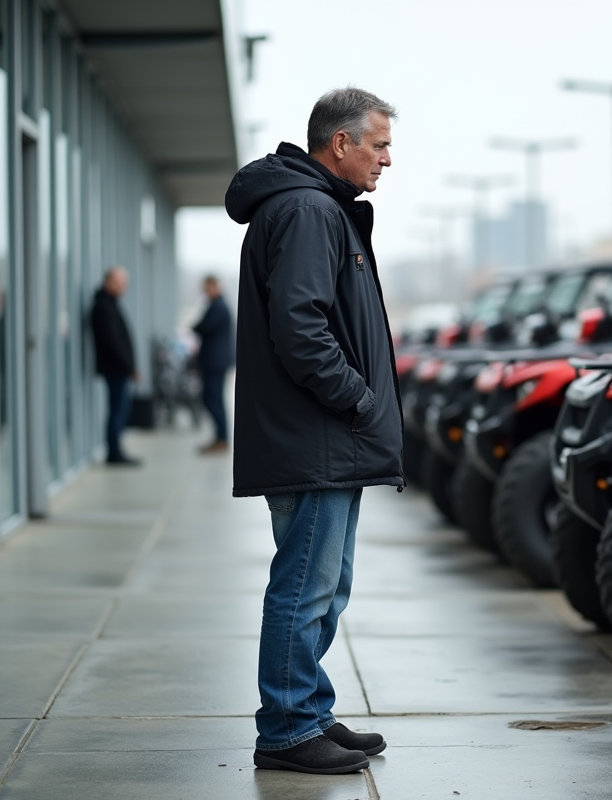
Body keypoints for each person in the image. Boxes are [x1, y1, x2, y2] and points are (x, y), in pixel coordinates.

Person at [225, 87, 403, 775]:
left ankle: (309, 709)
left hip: (325, 441)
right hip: (318, 438)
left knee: (324, 585)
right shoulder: (306, 209)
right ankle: (288, 729)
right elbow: (301, 330)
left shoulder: (317, 207)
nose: (387, 160)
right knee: (304, 586)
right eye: (379, 145)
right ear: (341, 144)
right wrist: (358, 401)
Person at [91, 265, 140, 466]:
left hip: (117, 368)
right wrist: (129, 367)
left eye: (125, 283)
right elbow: (113, 342)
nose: (123, 287)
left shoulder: (109, 303)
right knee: (117, 410)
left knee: (119, 409)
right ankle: (114, 452)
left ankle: (116, 450)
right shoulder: (104, 306)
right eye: (119, 282)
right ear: (108, 281)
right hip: (115, 369)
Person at [192, 275, 234, 453]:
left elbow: (202, 327)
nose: (205, 292)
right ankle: (219, 437)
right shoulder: (217, 306)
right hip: (215, 361)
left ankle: (221, 439)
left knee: (213, 399)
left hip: (215, 362)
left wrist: (197, 325)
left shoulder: (218, 307)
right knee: (212, 399)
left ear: (215, 287)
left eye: (207, 288)